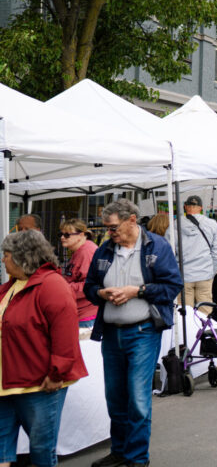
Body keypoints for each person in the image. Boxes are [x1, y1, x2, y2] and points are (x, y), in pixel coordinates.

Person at [83, 199, 182, 467]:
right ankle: (120, 451)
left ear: (131, 220)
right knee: (115, 396)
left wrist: (136, 291)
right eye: (107, 228)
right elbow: (89, 287)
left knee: (138, 398)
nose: (109, 233)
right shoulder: (105, 250)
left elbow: (172, 286)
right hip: (112, 333)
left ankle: (137, 458)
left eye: (113, 227)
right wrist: (101, 293)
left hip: (142, 331)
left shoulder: (156, 247)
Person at [0, 230, 88, 467]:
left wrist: (56, 372)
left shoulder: (51, 285)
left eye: (6, 255)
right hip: (8, 381)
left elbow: (65, 334)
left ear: (22, 256)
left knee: (40, 448)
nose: (3, 260)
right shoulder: (13, 285)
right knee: (1, 447)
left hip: (40, 382)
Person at [179, 195, 217, 312]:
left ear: (185, 207)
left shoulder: (175, 225)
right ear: (201, 208)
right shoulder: (212, 224)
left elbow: (170, 253)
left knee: (185, 315)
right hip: (204, 275)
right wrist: (210, 272)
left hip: (184, 276)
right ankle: (203, 331)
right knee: (204, 314)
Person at [59, 219, 98, 327]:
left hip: (86, 315)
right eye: (61, 234)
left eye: (67, 235)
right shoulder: (79, 251)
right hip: (80, 312)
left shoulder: (87, 252)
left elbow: (89, 285)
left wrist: (63, 288)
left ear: (80, 235)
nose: (62, 237)